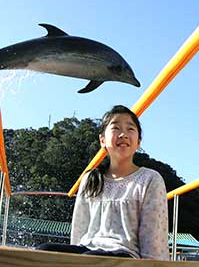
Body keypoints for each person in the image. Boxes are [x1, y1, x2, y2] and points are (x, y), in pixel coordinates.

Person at [37, 105, 169, 260]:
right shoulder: (91, 179)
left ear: (138, 141)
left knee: (90, 258)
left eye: (130, 129)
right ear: (102, 140)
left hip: (125, 254)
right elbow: (80, 226)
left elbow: (153, 234)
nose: (123, 134)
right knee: (43, 250)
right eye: (116, 128)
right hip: (88, 249)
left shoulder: (149, 179)